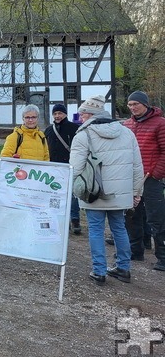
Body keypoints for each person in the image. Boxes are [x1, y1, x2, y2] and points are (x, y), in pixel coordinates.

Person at [69, 95, 144, 285]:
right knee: (119, 228)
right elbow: (137, 166)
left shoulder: (83, 135)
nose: (80, 118)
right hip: (120, 193)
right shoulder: (127, 133)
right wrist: (136, 192)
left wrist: (71, 188)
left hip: (93, 192)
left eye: (82, 114)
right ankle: (123, 268)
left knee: (95, 230)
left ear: (89, 114)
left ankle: (99, 271)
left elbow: (75, 168)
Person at [123, 90, 165, 271]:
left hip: (151, 178)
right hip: (132, 178)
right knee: (132, 216)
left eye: (136, 104)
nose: (133, 108)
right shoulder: (127, 125)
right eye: (130, 105)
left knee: (156, 218)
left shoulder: (160, 124)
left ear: (145, 105)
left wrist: (156, 173)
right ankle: (136, 250)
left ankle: (162, 256)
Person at [44, 103, 81, 234]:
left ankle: (75, 219)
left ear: (65, 114)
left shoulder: (74, 128)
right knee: (55, 194)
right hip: (53, 166)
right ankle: (59, 220)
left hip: (69, 166)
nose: (57, 116)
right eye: (55, 114)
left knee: (73, 195)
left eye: (60, 113)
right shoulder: (49, 130)